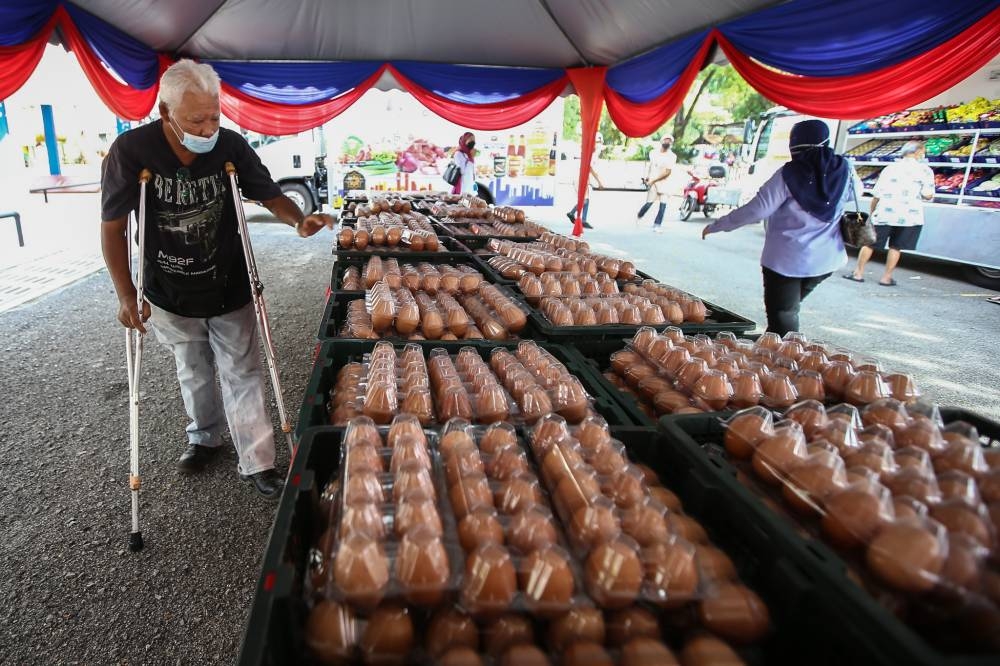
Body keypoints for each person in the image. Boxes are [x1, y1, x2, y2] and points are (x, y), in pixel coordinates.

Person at [100, 60, 334, 500]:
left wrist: (298, 221)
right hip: (168, 288)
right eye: (196, 120)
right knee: (193, 369)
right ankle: (204, 436)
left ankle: (258, 461)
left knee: (242, 371)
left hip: (228, 283)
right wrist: (125, 294)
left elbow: (270, 194)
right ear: (166, 112)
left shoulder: (230, 147)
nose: (208, 129)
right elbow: (112, 226)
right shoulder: (131, 152)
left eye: (214, 116)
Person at [702, 120, 862, 336]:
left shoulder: (789, 174)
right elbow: (855, 195)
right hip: (826, 259)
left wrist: (718, 225)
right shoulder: (845, 168)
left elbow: (757, 210)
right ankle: (772, 347)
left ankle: (784, 360)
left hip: (786, 261)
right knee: (785, 312)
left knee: (783, 316)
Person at [844, 140, 934, 286]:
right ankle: (886, 278)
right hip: (909, 215)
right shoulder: (925, 170)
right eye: (923, 151)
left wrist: (873, 212)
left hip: (885, 212)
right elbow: (928, 194)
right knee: (896, 246)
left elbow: (877, 194)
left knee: (869, 243)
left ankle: (858, 273)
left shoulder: (890, 168)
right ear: (917, 152)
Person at [637, 134, 676, 233]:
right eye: (665, 140)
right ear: (661, 141)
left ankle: (657, 224)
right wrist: (647, 178)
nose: (667, 142)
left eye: (669, 141)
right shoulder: (653, 153)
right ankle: (640, 215)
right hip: (652, 181)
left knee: (663, 204)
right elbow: (650, 166)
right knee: (649, 202)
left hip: (665, 182)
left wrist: (654, 180)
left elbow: (667, 172)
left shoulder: (672, 156)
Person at [566, 133, 604, 230]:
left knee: (586, 200)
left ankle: (583, 220)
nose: (599, 145)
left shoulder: (589, 151)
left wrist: (590, 181)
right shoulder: (592, 153)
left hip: (581, 177)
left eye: (600, 143)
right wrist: (599, 182)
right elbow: (590, 168)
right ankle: (572, 213)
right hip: (580, 178)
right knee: (585, 200)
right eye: (598, 142)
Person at [451, 131, 477, 196]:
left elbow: (472, 171)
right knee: (462, 203)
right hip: (462, 183)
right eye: (470, 140)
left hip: (470, 183)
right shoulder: (458, 154)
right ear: (464, 140)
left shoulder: (469, 154)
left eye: (474, 140)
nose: (473, 142)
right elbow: (461, 171)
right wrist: (470, 159)